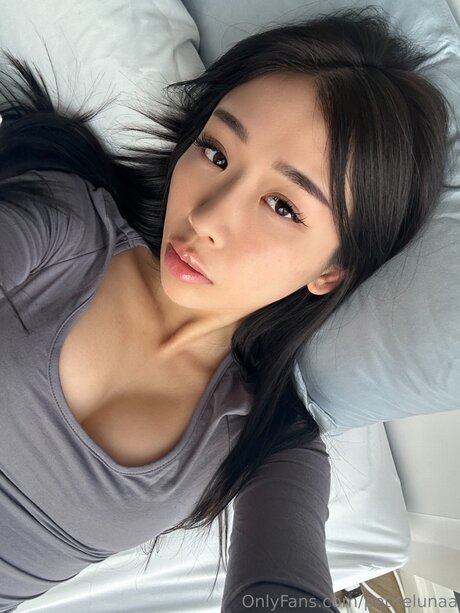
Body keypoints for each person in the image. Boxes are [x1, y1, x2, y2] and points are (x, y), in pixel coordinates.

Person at [0, 7, 450, 612]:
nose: (207, 217)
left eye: (283, 206)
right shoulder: (62, 227)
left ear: (330, 271)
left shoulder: (266, 440)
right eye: (215, 152)